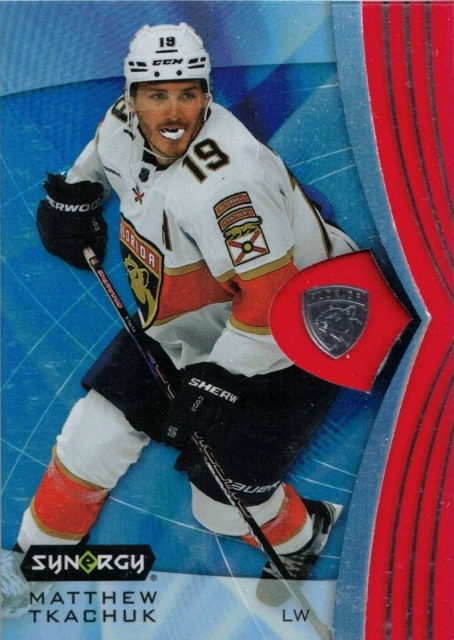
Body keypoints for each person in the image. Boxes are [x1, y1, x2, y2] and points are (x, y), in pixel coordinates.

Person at [2, 22, 357, 617]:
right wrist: (75, 194)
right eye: (157, 95)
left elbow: (272, 299)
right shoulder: (122, 121)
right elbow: (101, 153)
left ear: (206, 96)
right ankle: (31, 565)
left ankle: (304, 534)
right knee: (92, 436)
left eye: (187, 94)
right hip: (192, 320)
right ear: (132, 96)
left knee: (219, 509)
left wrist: (220, 379)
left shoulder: (229, 184)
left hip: (295, 339)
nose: (172, 112)